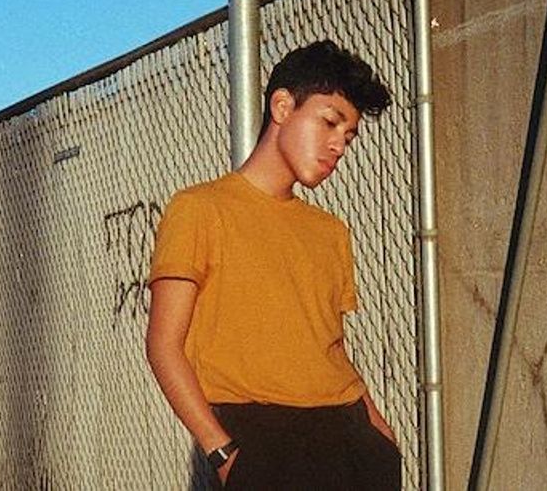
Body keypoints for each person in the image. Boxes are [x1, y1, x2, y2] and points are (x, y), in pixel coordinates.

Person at [145, 39, 403, 490]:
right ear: (282, 106)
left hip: (353, 437)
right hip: (266, 444)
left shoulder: (329, 231)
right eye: (329, 122)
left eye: (348, 137)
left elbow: (329, 346)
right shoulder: (200, 209)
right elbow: (164, 345)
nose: (338, 145)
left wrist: (380, 434)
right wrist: (222, 452)